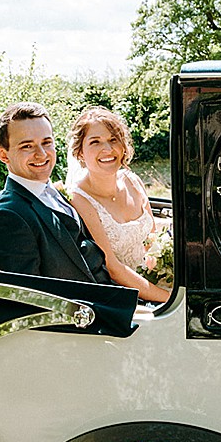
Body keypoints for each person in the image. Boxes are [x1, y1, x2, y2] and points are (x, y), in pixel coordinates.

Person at [0, 102, 112, 284]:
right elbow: (31, 294)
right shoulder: (8, 217)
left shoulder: (53, 191)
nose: (42, 154)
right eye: (27, 146)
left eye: (46, 142)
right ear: (3, 155)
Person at [68, 107, 171, 303]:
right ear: (80, 152)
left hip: (155, 282)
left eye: (113, 139)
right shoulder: (79, 199)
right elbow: (113, 268)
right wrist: (170, 299)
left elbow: (152, 241)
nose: (108, 149)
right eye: (95, 142)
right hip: (126, 298)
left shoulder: (133, 181)